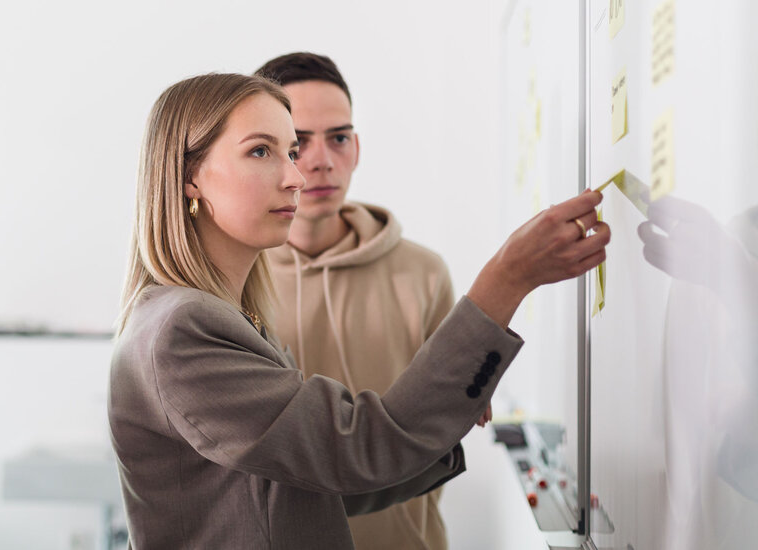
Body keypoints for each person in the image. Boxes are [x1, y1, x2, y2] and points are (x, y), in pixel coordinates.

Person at [108, 72, 609, 549]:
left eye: (290, 152)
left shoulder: (231, 314)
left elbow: (310, 483)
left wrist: (435, 422)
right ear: (190, 176)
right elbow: (351, 451)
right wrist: (506, 278)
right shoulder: (182, 328)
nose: (296, 177)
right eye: (260, 151)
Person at [255, 52, 488, 550]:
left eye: (338, 138)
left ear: (357, 147)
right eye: (297, 144)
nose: (321, 160)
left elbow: (447, 421)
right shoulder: (230, 283)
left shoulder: (424, 273)